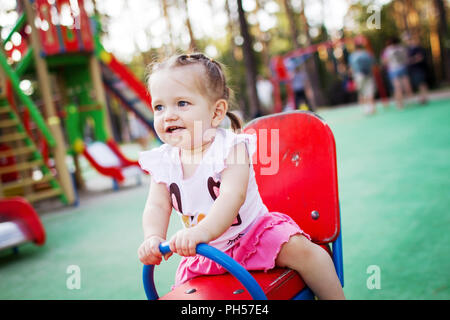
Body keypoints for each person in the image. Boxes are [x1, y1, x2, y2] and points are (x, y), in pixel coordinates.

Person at [137, 52, 345, 300]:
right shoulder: (163, 161)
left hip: (253, 236)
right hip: (206, 254)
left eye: (182, 103)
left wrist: (201, 232)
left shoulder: (231, 147)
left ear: (216, 113)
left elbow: (231, 196)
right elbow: (157, 205)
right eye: (159, 107)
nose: (168, 114)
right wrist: (153, 237)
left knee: (307, 254)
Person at [381, 37, 413, 109]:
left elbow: (384, 61)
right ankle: (408, 101)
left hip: (393, 70)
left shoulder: (387, 50)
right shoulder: (402, 48)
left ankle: (399, 104)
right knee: (406, 86)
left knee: (397, 88)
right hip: (403, 68)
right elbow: (407, 59)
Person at [349, 44, 376, 115]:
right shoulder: (367, 54)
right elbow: (373, 64)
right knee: (369, 91)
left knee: (362, 92)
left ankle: (366, 108)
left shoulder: (353, 56)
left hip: (358, 75)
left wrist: (352, 78)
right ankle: (372, 108)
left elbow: (351, 67)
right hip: (368, 74)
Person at [406, 34, 429, 104]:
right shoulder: (409, 49)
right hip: (414, 70)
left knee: (421, 83)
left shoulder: (418, 48)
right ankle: (423, 97)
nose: (408, 42)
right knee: (419, 84)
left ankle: (424, 98)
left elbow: (420, 58)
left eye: (410, 40)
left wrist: (411, 60)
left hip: (419, 69)